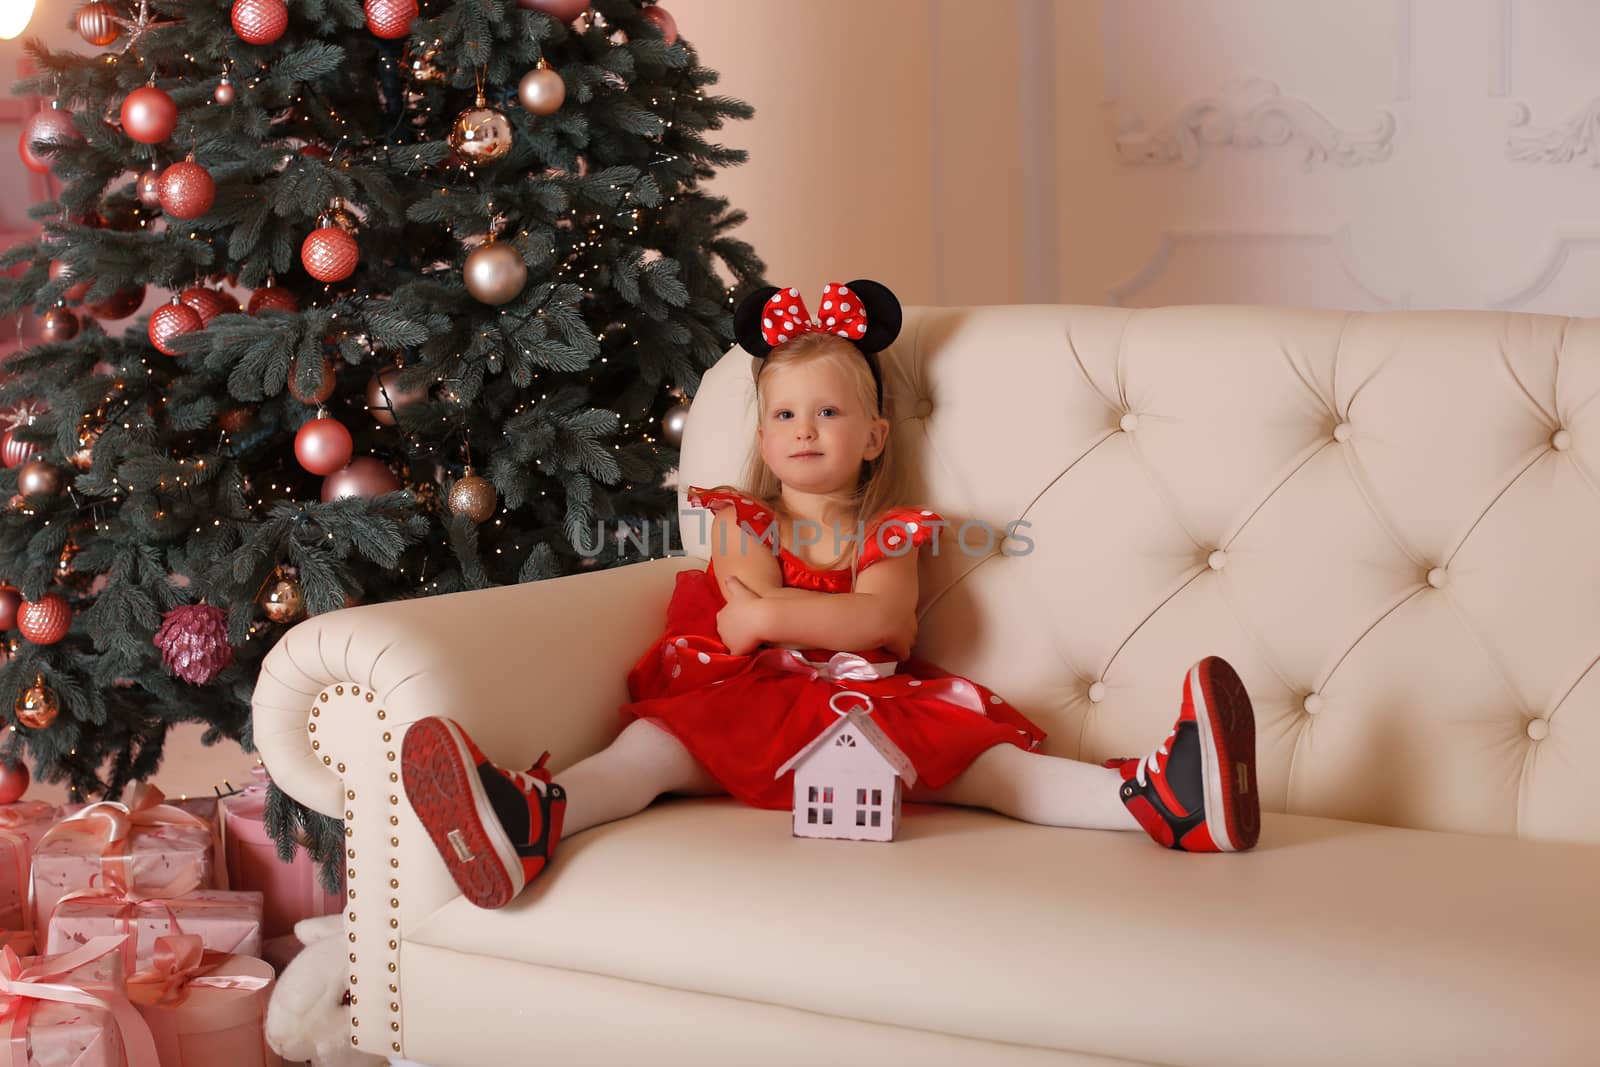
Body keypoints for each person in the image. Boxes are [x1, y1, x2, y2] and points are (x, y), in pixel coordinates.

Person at [401, 279, 1260, 909]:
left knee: (996, 771)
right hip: (745, 705)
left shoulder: (895, 529)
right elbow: (742, 623)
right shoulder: (743, 514)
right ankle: (533, 818)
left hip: (867, 706)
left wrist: (777, 615)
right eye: (784, 417)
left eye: (828, 414)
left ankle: (1163, 796)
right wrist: (784, 617)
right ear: (764, 439)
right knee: (649, 755)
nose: (804, 430)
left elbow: (881, 620)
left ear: (875, 435)